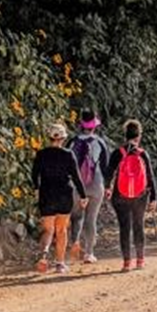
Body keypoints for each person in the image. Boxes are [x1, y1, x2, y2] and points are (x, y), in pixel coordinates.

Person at [31, 123, 88, 274]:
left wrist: (36, 189)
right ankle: (60, 264)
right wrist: (83, 195)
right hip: (64, 194)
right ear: (63, 138)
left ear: (49, 137)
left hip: (46, 194)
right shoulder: (68, 154)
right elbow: (76, 177)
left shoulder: (41, 154)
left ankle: (43, 256)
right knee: (61, 230)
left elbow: (34, 175)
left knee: (48, 230)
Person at [105, 120, 157, 272]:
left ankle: (126, 262)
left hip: (120, 195)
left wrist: (108, 188)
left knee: (124, 227)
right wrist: (154, 198)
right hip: (140, 196)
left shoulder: (117, 153)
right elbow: (150, 177)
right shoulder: (142, 154)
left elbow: (109, 172)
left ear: (125, 135)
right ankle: (140, 260)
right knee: (138, 225)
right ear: (138, 136)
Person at [67, 108, 110, 265]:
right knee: (91, 219)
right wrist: (108, 186)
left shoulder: (72, 142)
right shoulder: (100, 142)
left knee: (76, 217)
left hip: (77, 187)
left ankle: (74, 247)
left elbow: (66, 164)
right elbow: (106, 167)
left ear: (81, 124)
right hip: (96, 184)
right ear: (94, 126)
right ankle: (89, 253)